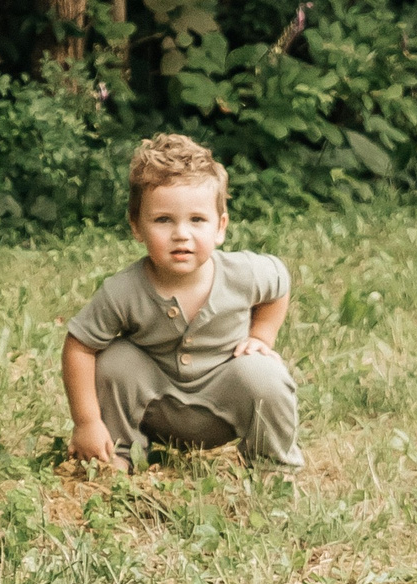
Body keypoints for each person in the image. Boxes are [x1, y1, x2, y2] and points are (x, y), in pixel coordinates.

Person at [61, 133, 301, 473]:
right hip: (157, 407)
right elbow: (78, 347)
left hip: (224, 403)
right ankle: (118, 453)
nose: (181, 234)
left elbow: (280, 283)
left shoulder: (244, 273)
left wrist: (262, 337)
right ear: (136, 227)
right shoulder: (123, 291)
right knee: (114, 360)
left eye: (197, 220)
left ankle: (272, 467)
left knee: (264, 372)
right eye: (163, 220)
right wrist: (85, 421)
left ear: (220, 228)